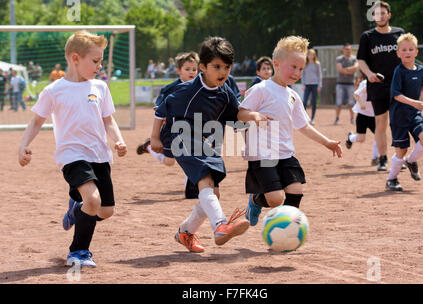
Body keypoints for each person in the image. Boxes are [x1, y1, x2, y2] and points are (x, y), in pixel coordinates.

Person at [18, 31, 127, 267]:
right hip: (72, 156)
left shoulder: (100, 87)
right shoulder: (54, 90)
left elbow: (108, 119)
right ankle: (78, 253)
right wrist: (24, 145)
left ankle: (76, 210)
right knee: (93, 199)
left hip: (100, 156)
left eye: (101, 60)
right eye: (95, 61)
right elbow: (37, 121)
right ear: (75, 58)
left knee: (106, 210)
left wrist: (118, 140)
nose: (100, 66)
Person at [150, 37, 250, 253]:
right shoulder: (186, 91)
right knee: (205, 180)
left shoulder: (225, 93)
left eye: (226, 67)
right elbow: (161, 110)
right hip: (179, 136)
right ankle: (220, 225)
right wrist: (154, 138)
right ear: (203, 67)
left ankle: (185, 232)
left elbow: (236, 117)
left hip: (203, 141)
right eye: (216, 66)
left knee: (213, 192)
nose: (222, 71)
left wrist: (254, 118)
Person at [237, 36, 342, 227]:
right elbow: (240, 114)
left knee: (295, 191)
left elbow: (304, 126)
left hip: (286, 153)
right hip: (263, 154)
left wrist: (327, 142)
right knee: (276, 199)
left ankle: (284, 231)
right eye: (293, 67)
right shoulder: (261, 89)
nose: (297, 72)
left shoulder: (293, 96)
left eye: (300, 69)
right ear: (276, 64)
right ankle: (256, 200)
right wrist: (254, 116)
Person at [136, 51, 200, 199]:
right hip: (171, 130)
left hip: (191, 130)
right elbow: (158, 108)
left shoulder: (199, 88)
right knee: (169, 162)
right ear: (179, 70)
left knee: (192, 157)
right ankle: (149, 147)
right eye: (187, 69)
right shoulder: (170, 89)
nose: (191, 72)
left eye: (194, 69)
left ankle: (191, 190)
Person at [357, 1, 405, 171]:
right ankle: (383, 158)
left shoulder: (400, 33)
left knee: (399, 122)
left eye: (383, 13)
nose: (380, 16)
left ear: (389, 15)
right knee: (381, 123)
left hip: (399, 86)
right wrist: (369, 74)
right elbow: (361, 60)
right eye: (377, 14)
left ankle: (400, 157)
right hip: (378, 86)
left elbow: (407, 54)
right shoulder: (368, 37)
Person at [385, 33, 423, 191]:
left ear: (416, 52)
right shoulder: (398, 71)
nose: (407, 52)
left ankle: (412, 161)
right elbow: (396, 94)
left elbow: (420, 84)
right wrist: (414, 102)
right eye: (404, 50)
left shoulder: (420, 70)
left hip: (414, 114)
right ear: (398, 53)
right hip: (399, 115)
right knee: (401, 150)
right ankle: (391, 179)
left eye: (410, 49)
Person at [345, 75, 380, 165]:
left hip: (374, 116)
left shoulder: (382, 84)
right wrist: (361, 103)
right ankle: (350, 138)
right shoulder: (365, 83)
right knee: (361, 139)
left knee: (379, 136)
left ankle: (375, 158)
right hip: (362, 115)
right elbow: (356, 94)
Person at [335, 43, 359, 125]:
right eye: (346, 49)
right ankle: (337, 119)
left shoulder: (354, 58)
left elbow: (355, 68)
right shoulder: (339, 58)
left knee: (351, 103)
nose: (348, 51)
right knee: (338, 102)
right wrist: (350, 70)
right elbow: (340, 70)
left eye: (349, 49)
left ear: (351, 50)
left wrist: (346, 70)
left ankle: (352, 119)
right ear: (343, 50)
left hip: (350, 84)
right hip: (340, 84)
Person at [301, 49, 322, 125]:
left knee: (314, 102)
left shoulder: (317, 64)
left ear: (314, 56)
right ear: (307, 55)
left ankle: (312, 119)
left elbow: (319, 75)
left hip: (315, 85)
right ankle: (304, 118)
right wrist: (303, 84)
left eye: (312, 55)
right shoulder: (305, 64)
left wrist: (319, 85)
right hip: (307, 85)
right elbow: (302, 75)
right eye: (309, 54)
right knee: (304, 101)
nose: (311, 56)